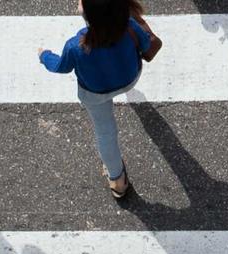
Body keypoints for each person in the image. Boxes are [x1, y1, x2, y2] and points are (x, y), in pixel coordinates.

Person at [39, 0, 162, 200]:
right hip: (128, 78)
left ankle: (118, 180)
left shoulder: (76, 46)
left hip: (95, 93)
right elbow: (146, 45)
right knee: (120, 92)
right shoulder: (130, 26)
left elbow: (61, 66)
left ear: (88, 14)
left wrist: (44, 56)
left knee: (106, 132)